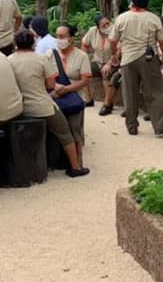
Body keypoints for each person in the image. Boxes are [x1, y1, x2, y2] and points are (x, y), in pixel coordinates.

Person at [8, 30, 89, 176]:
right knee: (65, 133)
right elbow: (51, 83)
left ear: (15, 43)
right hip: (43, 106)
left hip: (20, 107)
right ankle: (76, 167)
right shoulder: (41, 59)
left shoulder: (9, 60)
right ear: (33, 42)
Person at [109, 0, 163, 138]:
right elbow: (162, 41)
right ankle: (159, 127)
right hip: (149, 59)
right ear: (146, 3)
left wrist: (114, 55)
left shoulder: (121, 18)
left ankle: (132, 126)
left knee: (130, 94)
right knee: (154, 92)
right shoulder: (153, 18)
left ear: (132, 2)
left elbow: (112, 41)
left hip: (128, 59)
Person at [51, 24, 92, 161]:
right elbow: (45, 77)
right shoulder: (50, 55)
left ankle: (78, 162)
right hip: (56, 97)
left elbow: (85, 80)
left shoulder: (82, 56)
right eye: (57, 36)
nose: (59, 39)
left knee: (75, 129)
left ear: (71, 39)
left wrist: (66, 89)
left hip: (75, 98)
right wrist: (56, 86)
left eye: (62, 36)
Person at [83, 15, 120, 116]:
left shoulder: (115, 31)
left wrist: (109, 63)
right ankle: (88, 99)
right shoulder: (92, 31)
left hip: (114, 61)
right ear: (98, 28)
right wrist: (84, 59)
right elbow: (85, 45)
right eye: (103, 25)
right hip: (98, 61)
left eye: (108, 23)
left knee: (105, 73)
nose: (107, 26)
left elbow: (119, 50)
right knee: (83, 71)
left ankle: (107, 104)